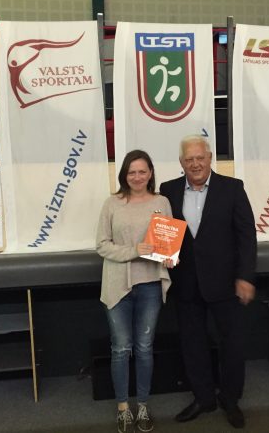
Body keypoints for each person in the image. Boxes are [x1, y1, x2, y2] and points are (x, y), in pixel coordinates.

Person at [159, 135, 257, 429]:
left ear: (210, 158)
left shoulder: (233, 188)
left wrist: (245, 277)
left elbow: (246, 237)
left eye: (200, 158)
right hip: (186, 283)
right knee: (192, 344)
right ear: (181, 163)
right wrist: (163, 255)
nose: (195, 164)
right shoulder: (168, 190)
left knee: (232, 345)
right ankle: (203, 398)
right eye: (189, 159)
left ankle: (230, 399)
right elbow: (165, 234)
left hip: (226, 283)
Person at [96, 149, 173, 433]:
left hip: (150, 283)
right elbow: (102, 245)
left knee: (144, 348)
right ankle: (122, 408)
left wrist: (169, 256)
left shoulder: (162, 202)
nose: (137, 177)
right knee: (120, 349)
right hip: (118, 285)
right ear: (124, 175)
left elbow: (168, 243)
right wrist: (134, 251)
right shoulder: (112, 203)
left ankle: (142, 405)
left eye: (142, 171)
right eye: (132, 172)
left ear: (150, 173)